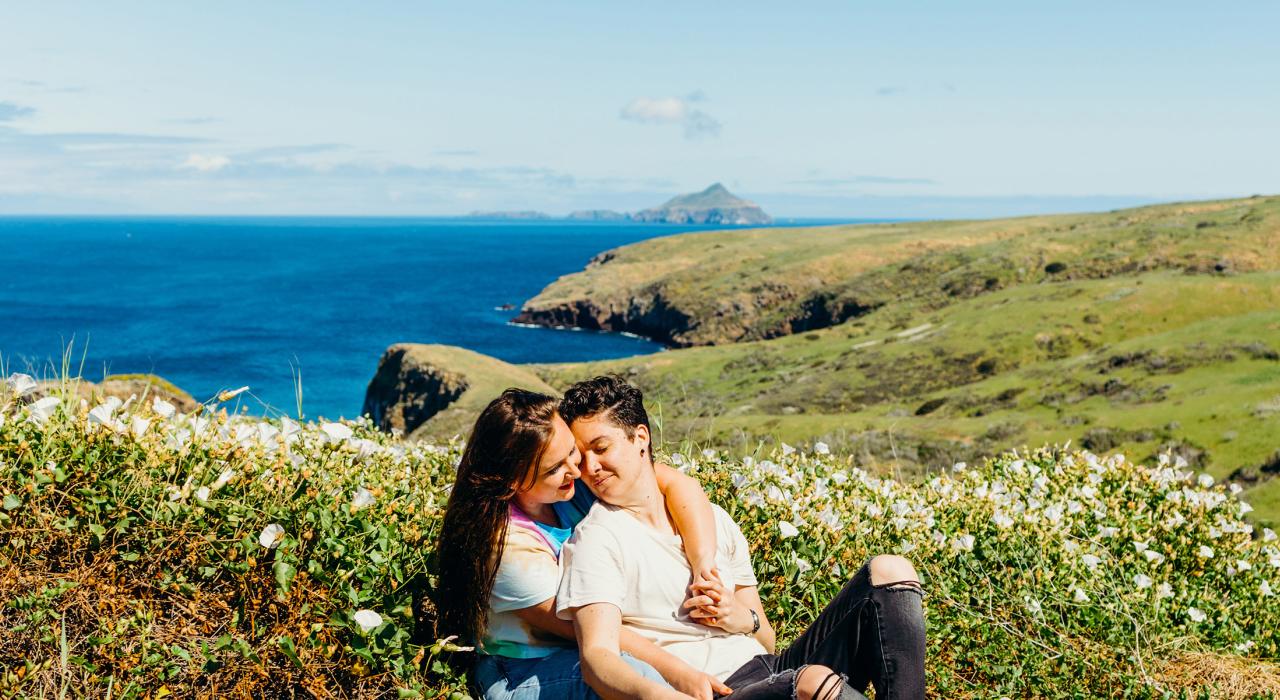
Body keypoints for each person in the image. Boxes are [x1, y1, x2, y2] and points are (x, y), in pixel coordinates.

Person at [555, 376, 928, 700]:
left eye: (601, 449)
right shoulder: (597, 538)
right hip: (717, 689)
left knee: (889, 570)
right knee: (814, 682)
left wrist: (741, 619)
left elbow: (765, 639)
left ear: (640, 438)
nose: (590, 468)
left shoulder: (711, 518)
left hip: (770, 667)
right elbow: (597, 657)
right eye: (580, 456)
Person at [433, 388, 734, 700]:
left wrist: (703, 565)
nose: (578, 471)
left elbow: (678, 484)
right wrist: (680, 671)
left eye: (571, 452)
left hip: (586, 647)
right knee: (640, 679)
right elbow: (583, 627)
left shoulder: (567, 487)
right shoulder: (507, 547)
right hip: (521, 671)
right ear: (513, 482)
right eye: (554, 468)